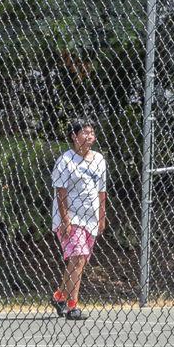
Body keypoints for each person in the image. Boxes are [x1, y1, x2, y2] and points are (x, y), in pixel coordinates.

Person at [50, 116, 108, 321]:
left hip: (90, 219)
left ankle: (59, 296)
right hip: (71, 218)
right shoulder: (65, 160)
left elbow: (102, 191)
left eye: (91, 132)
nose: (89, 135)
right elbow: (61, 193)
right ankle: (72, 306)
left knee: (79, 261)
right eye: (84, 132)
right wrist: (65, 221)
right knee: (78, 258)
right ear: (74, 136)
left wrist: (102, 217)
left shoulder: (99, 159)